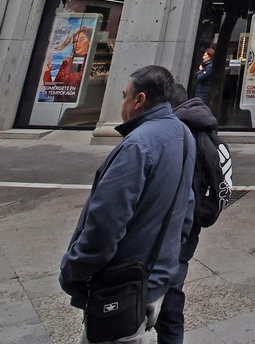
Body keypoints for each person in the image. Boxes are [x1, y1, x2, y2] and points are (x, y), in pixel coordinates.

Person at [60, 65, 194, 344]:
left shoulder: (137, 145)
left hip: (122, 282)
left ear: (139, 100)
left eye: (124, 95)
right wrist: (169, 259)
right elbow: (186, 208)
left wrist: (75, 269)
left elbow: (105, 222)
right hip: (154, 279)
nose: (121, 103)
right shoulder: (183, 134)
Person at [155, 81, 223, 344]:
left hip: (170, 228)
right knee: (173, 295)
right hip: (189, 227)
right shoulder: (202, 129)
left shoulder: (175, 136)